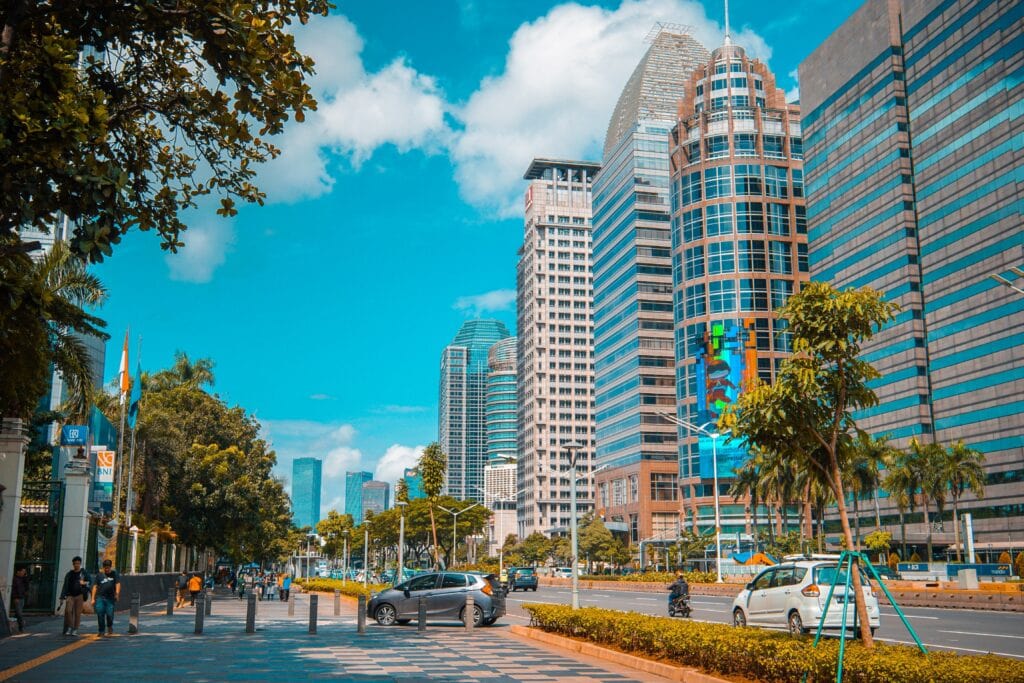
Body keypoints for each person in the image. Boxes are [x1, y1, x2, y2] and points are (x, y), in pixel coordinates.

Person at [59, 556, 90, 636]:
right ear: (73, 564)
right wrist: (62, 597)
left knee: (77, 613)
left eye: (78, 563)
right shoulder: (69, 574)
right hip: (70, 595)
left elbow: (90, 582)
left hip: (79, 595)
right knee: (68, 611)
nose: (77, 565)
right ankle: (70, 627)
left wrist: (84, 583)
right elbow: (65, 586)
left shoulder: (84, 573)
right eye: (75, 563)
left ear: (80, 564)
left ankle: (75, 629)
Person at [92, 559, 119, 636]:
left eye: (108, 568)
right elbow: (95, 587)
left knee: (110, 614)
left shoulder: (114, 574)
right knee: (100, 614)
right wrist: (93, 598)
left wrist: (117, 594)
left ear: (111, 567)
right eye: (105, 568)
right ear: (103, 567)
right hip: (100, 597)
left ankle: (110, 626)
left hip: (110, 598)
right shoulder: (99, 575)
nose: (107, 569)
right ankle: (101, 630)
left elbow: (118, 584)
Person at [11, 567, 29, 633]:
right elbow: (13, 589)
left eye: (25, 572)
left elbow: (27, 585)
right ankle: (21, 627)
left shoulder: (22, 579)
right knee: (19, 613)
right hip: (17, 598)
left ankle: (15, 627)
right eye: (23, 571)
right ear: (18, 572)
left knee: (17, 613)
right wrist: (15, 597)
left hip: (22, 597)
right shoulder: (14, 579)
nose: (23, 573)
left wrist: (25, 576)